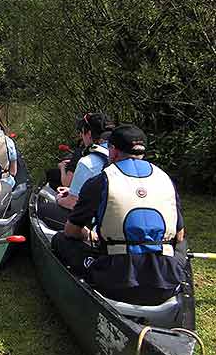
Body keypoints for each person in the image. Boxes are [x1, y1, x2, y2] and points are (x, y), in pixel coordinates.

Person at [52, 125, 187, 305]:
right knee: (183, 244)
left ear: (113, 151)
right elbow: (179, 236)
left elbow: (71, 231)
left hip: (115, 282)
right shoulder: (165, 179)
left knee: (60, 240)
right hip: (165, 282)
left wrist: (90, 234)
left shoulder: (100, 180)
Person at [38, 112, 113, 231]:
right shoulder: (120, 154)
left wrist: (59, 199)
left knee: (42, 208)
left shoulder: (87, 162)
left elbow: (72, 203)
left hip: (96, 223)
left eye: (82, 132)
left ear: (88, 134)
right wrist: (70, 191)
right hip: (116, 216)